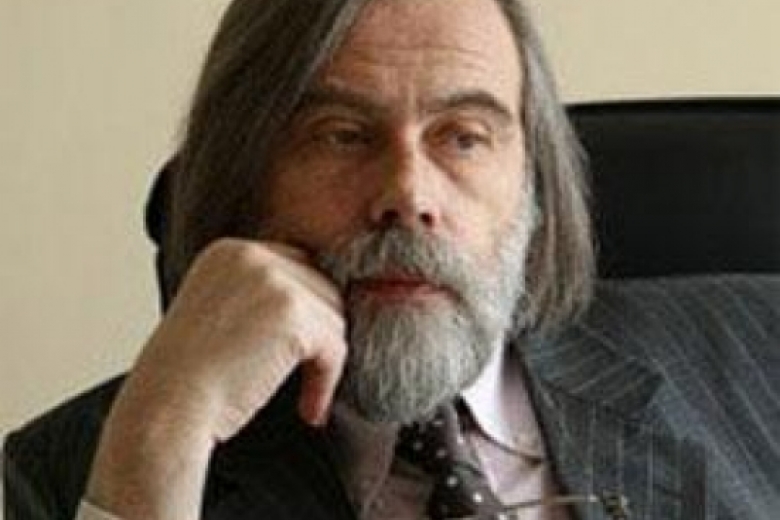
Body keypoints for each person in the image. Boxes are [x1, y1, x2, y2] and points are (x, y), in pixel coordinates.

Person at [5, 0, 779, 519]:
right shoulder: (75, 471)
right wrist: (162, 434)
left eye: (464, 137)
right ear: (242, 175)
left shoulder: (759, 347)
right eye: (342, 135)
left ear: (534, 182)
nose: (408, 195)